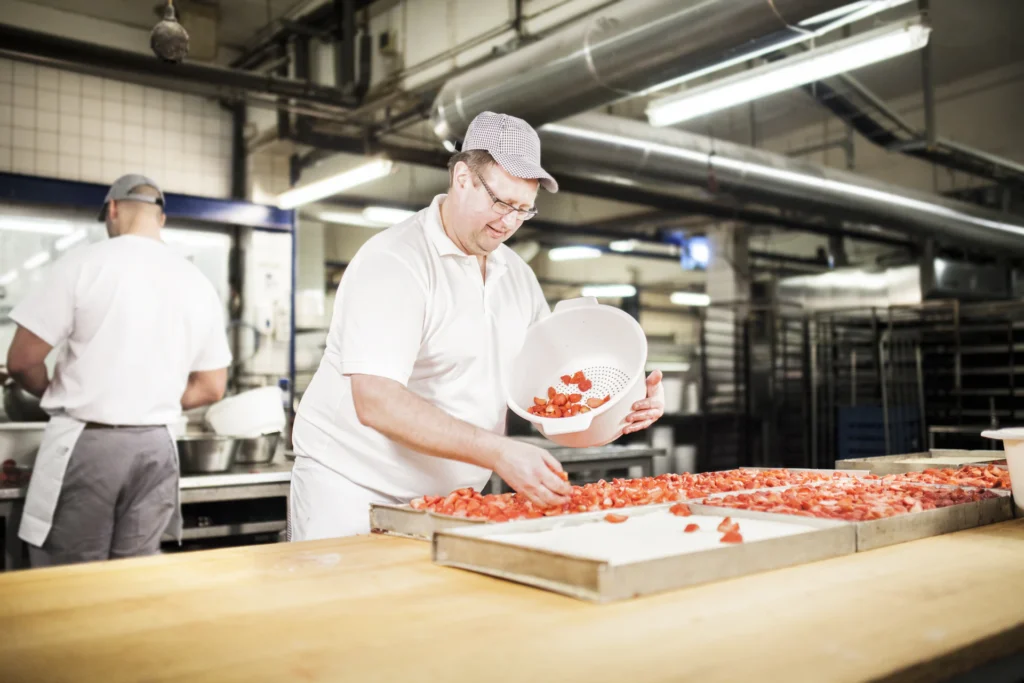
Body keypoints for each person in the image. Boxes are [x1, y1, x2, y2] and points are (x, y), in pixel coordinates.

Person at [289, 111, 665, 541]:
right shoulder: (396, 261)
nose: (508, 222)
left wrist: (621, 409)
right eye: (501, 202)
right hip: (352, 491)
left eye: (523, 210)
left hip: (455, 501)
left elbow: (546, 401)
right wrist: (498, 452)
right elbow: (375, 400)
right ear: (462, 178)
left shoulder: (516, 275)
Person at [5, 174, 232, 567]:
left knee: (71, 577)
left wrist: (51, 392)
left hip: (88, 446)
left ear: (112, 210)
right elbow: (212, 387)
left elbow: (22, 360)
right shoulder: (197, 281)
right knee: (135, 576)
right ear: (161, 218)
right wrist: (149, 400)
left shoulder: (83, 263)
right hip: (157, 449)